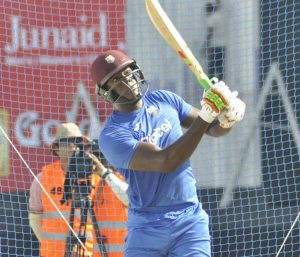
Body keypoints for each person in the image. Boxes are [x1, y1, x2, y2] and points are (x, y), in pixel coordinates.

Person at [90, 49, 246, 257]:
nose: (127, 80)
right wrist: (208, 114)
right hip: (146, 227)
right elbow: (166, 161)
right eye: (116, 79)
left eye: (127, 72)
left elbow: (213, 128)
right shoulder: (112, 136)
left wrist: (228, 118)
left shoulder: (164, 99)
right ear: (105, 91)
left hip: (189, 220)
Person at [29, 122, 128, 257]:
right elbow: (35, 221)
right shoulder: (43, 178)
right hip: (55, 253)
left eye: (77, 142)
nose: (73, 147)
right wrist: (51, 244)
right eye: (68, 142)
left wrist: (103, 171)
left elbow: (129, 200)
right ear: (56, 148)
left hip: (91, 253)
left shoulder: (99, 176)